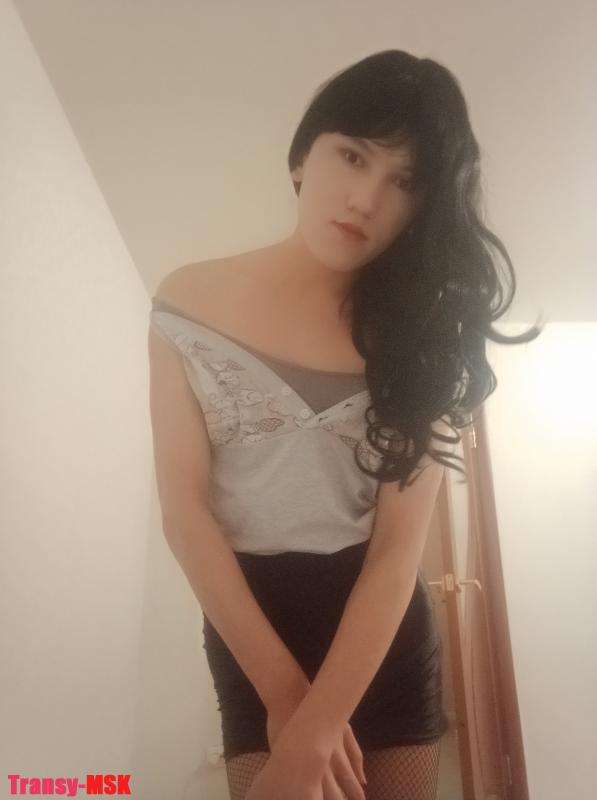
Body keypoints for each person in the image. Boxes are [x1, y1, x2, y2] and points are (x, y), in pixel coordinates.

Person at [148, 50, 542, 800]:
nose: (365, 199)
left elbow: (396, 551)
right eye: (354, 156)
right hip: (251, 630)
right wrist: (287, 701)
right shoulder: (187, 301)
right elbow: (184, 513)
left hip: (381, 635)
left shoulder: (424, 341)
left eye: (404, 181)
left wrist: (322, 721)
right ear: (303, 157)